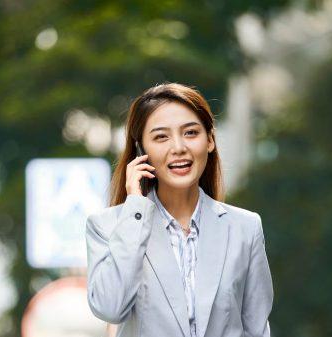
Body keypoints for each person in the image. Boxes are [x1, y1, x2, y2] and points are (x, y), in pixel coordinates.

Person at [85, 83, 274, 337]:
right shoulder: (108, 226)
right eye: (161, 137)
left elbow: (257, 329)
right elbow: (110, 308)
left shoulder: (245, 228)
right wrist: (136, 209)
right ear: (141, 150)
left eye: (191, 133)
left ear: (210, 140)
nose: (178, 147)